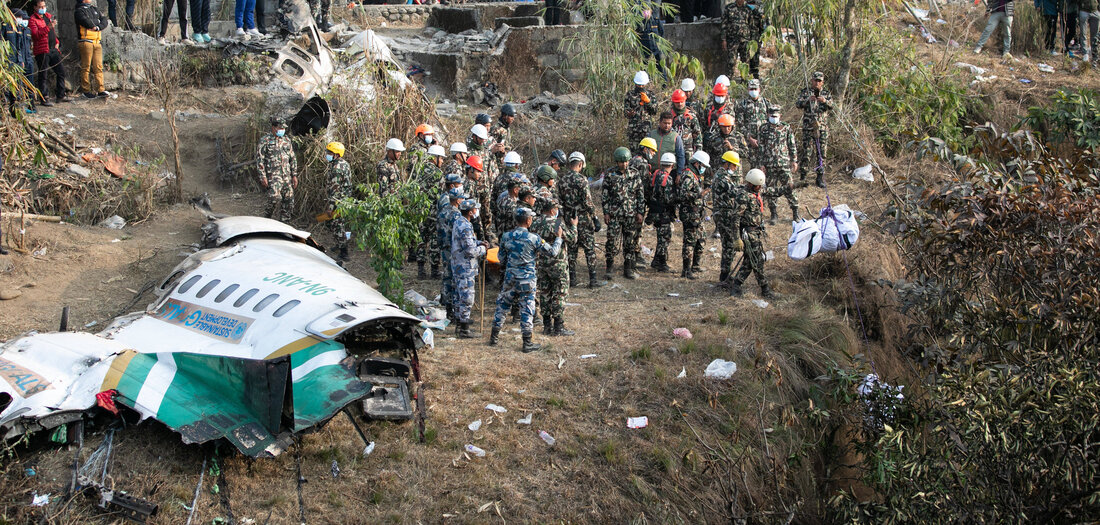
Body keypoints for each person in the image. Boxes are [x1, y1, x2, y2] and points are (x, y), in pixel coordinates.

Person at [489, 207, 563, 352]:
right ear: (528, 220)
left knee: (502, 306)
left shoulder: (505, 236)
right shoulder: (533, 238)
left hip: (510, 278)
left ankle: (494, 337)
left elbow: (501, 258)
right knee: (527, 309)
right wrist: (559, 238)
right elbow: (553, 253)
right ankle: (527, 342)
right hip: (527, 280)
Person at [728, 168, 778, 299]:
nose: (760, 188)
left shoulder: (757, 192)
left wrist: (793, 186)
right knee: (757, 260)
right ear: (751, 184)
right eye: (758, 186)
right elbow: (736, 218)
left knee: (750, 261)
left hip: (756, 232)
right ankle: (765, 289)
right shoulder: (743, 196)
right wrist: (736, 239)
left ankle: (736, 285)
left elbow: (775, 191)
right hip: (748, 233)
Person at [532, 199, 577, 336]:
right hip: (558, 263)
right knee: (560, 292)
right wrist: (574, 226)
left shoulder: (535, 222)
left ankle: (546, 325)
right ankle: (558, 326)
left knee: (545, 292)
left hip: (541, 263)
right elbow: (572, 238)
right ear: (552, 210)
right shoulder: (557, 222)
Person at [560, 152, 604, 288]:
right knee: (589, 249)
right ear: (580, 164)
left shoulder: (562, 180)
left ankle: (572, 279)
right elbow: (588, 202)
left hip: (569, 218)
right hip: (583, 219)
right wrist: (595, 217)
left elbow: (560, 201)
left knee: (571, 248)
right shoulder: (582, 180)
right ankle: (593, 279)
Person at [602, 147, 645, 280]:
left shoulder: (634, 173)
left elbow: (640, 194)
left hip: (631, 214)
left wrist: (640, 212)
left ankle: (628, 268)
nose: (624, 164)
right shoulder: (610, 175)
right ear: (617, 162)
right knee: (611, 241)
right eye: (621, 162)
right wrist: (606, 212)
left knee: (630, 242)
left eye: (626, 161)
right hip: (615, 214)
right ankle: (609, 267)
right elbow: (605, 196)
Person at [451, 198, 488, 338]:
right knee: (467, 297)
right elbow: (471, 251)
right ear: (471, 212)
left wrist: (479, 242)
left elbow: (466, 242)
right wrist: (483, 249)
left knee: (459, 295)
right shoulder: (465, 226)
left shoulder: (459, 222)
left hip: (458, 264)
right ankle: (464, 330)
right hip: (465, 266)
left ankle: (460, 323)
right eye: (475, 209)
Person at [757, 104, 799, 224]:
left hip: (784, 163)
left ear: (780, 115)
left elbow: (792, 145)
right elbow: (761, 147)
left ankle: (795, 212)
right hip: (769, 165)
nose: (774, 117)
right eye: (771, 115)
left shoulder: (786, 128)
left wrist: (794, 160)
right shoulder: (763, 129)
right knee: (771, 190)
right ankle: (773, 214)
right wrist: (761, 164)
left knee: (790, 187)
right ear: (768, 115)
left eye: (776, 115)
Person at [795, 72, 833, 188]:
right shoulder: (805, 91)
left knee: (821, 153)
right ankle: (803, 177)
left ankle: (820, 177)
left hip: (822, 128)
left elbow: (832, 106)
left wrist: (824, 101)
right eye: (815, 80)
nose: (817, 83)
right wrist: (807, 100)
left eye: (819, 81)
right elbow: (798, 104)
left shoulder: (826, 93)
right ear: (812, 81)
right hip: (808, 127)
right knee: (807, 152)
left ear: (822, 82)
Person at [256, 118, 297, 222]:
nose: (282, 130)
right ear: (274, 128)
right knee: (274, 198)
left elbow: (292, 158)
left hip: (286, 176)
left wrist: (294, 175)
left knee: (289, 200)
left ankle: (285, 223)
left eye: (284, 128)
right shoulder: (265, 140)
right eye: (280, 128)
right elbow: (259, 160)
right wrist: (263, 176)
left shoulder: (286, 140)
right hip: (273, 176)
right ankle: (266, 219)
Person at [29, 1, 70, 105]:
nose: (43, 8)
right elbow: (36, 35)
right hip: (42, 51)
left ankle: (61, 95)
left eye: (44, 6)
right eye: (40, 6)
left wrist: (57, 42)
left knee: (61, 72)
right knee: (43, 75)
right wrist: (48, 27)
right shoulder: (33, 20)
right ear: (35, 7)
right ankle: (44, 98)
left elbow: (53, 33)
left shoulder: (48, 16)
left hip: (53, 49)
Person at [416, 144, 447, 279]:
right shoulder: (438, 174)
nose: (442, 162)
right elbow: (441, 196)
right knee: (434, 240)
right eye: (441, 159)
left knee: (421, 239)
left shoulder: (419, 170)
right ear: (435, 158)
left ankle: (421, 270)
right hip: (434, 213)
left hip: (421, 211)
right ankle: (434, 271)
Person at [712, 151, 742, 286]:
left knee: (728, 245)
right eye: (734, 166)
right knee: (728, 245)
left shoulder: (723, 176)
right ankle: (725, 276)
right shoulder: (722, 177)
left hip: (724, 213)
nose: (735, 169)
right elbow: (735, 192)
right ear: (728, 164)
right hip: (724, 214)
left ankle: (725, 274)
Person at [678, 151, 709, 279]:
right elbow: (683, 194)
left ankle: (695, 265)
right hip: (690, 213)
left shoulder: (695, 175)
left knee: (701, 237)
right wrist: (699, 195)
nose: (704, 169)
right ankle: (686, 270)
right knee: (689, 241)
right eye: (703, 166)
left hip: (697, 213)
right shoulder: (688, 175)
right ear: (697, 163)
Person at [646, 152, 677, 273]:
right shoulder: (667, 179)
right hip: (663, 212)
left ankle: (656, 260)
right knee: (665, 237)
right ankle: (662, 263)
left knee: (660, 237)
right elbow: (668, 199)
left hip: (654, 211)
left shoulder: (655, 174)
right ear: (672, 165)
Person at [438, 188, 465, 321]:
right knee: (454, 278)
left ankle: (446, 304)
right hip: (454, 250)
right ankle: (453, 310)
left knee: (446, 276)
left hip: (444, 248)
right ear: (458, 200)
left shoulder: (443, 212)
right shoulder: (456, 215)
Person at [628, 138, 657, 269]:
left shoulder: (632, 160)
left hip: (627, 200)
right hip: (637, 201)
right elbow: (643, 187)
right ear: (645, 149)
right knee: (636, 229)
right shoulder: (643, 164)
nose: (654, 154)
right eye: (652, 150)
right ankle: (634, 255)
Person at [323, 141, 353, 262]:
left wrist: (331, 207)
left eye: (330, 153)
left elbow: (335, 191)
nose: (327, 155)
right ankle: (339, 244)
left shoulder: (336, 169)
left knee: (337, 226)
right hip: (345, 200)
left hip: (338, 202)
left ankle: (344, 252)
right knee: (335, 224)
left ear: (336, 154)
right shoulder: (343, 163)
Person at [721, 0, 764, 79]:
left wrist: (753, 41)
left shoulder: (748, 9)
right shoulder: (729, 8)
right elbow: (724, 25)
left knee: (745, 62)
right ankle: (728, 79)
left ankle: (744, 79)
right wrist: (724, 40)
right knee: (731, 62)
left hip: (745, 41)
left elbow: (751, 26)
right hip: (732, 40)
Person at [4, 10, 36, 115]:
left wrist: (21, 60)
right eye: (19, 17)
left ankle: (19, 110)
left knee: (20, 86)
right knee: (9, 87)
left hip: (20, 61)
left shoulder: (21, 29)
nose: (21, 20)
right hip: (9, 61)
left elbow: (20, 47)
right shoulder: (5, 27)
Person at [74, 0, 108, 99]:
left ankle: (101, 90)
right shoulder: (79, 11)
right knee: (86, 67)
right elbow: (88, 23)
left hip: (97, 42)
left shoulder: (94, 9)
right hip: (86, 41)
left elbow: (104, 20)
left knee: (98, 67)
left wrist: (97, 27)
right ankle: (86, 90)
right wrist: (97, 23)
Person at [734, 78, 770, 168]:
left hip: (764, 139)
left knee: (766, 164)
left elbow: (771, 119)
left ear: (759, 89)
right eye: (751, 89)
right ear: (748, 90)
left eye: (755, 89)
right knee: (754, 165)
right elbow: (740, 124)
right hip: (750, 141)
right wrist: (749, 138)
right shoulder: (743, 104)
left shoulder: (766, 103)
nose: (753, 91)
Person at [704, 114, 747, 183]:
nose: (726, 129)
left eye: (728, 127)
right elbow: (708, 155)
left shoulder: (739, 137)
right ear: (720, 126)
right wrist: (710, 170)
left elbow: (746, 154)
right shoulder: (713, 138)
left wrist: (732, 148)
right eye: (724, 127)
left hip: (735, 174)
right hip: (718, 173)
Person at [464, 155, 494, 243]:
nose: (480, 175)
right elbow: (472, 208)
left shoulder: (467, 182)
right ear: (471, 171)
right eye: (478, 172)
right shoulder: (470, 185)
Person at [625, 71, 658, 151]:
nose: (640, 86)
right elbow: (626, 112)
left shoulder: (650, 95)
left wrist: (648, 102)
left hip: (646, 129)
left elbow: (654, 111)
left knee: (646, 152)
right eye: (638, 85)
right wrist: (630, 113)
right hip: (634, 131)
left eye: (642, 85)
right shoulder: (629, 95)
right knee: (634, 153)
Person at [671, 89, 703, 156]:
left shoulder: (691, 115)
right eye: (677, 102)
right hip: (672, 148)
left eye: (681, 102)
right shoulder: (669, 115)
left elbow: (697, 134)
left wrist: (698, 151)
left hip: (688, 150)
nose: (680, 104)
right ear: (673, 102)